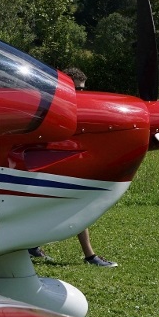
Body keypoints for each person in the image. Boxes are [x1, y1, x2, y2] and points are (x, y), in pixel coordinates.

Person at [30, 66, 118, 268]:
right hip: (48, 163)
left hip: (62, 163)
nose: (81, 95)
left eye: (83, 90)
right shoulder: (51, 106)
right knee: (78, 204)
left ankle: (32, 246)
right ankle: (89, 256)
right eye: (77, 90)